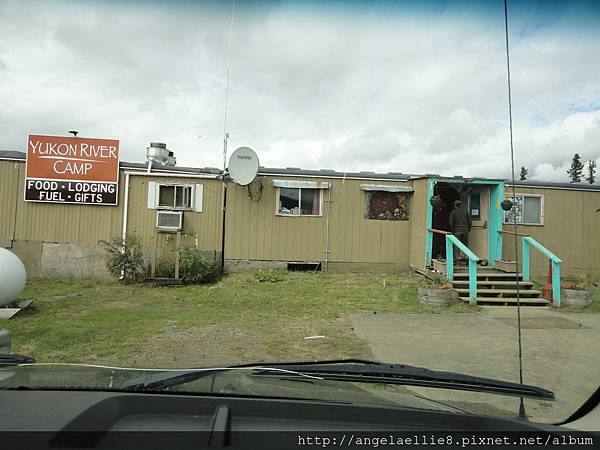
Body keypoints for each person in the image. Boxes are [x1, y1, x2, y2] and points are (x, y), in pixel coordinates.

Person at [448, 199, 472, 265]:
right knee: (465, 244)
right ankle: (465, 258)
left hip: (457, 229)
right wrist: (468, 229)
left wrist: (453, 230)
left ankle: (457, 260)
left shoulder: (453, 212)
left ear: (455, 205)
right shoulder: (465, 212)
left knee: (456, 245)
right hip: (465, 229)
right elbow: (470, 222)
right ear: (461, 205)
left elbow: (451, 222)